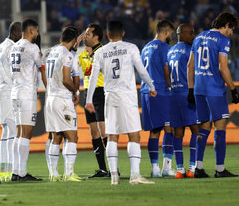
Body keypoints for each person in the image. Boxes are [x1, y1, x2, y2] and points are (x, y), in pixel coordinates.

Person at [85, 20, 156, 185]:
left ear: (108, 35)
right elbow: (142, 71)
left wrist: (88, 100)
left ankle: (114, 176)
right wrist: (151, 86)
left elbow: (93, 77)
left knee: (112, 136)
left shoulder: (101, 52)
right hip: (127, 96)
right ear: (123, 33)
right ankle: (135, 175)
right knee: (134, 135)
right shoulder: (131, 48)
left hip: (109, 96)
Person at [187, 12, 239, 178]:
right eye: (232, 29)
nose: (232, 33)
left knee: (204, 127)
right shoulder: (223, 40)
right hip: (215, 89)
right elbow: (223, 68)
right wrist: (233, 89)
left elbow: (190, 65)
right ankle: (220, 169)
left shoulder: (199, 37)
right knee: (220, 126)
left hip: (199, 89)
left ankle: (198, 167)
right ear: (227, 25)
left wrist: (190, 89)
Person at [45, 26, 82, 182]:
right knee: (72, 136)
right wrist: (75, 91)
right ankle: (69, 173)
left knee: (56, 137)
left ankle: (53, 174)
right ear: (73, 41)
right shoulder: (66, 55)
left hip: (50, 98)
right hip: (62, 99)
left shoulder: (51, 52)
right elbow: (67, 79)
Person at [10, 19, 44, 181]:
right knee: (26, 133)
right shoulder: (32, 48)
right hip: (26, 94)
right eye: (37, 31)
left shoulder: (14, 47)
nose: (37, 34)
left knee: (19, 133)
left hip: (15, 93)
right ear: (31, 30)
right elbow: (42, 67)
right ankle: (21, 172)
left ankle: (16, 172)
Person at [141, 19, 175, 178]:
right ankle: (166, 168)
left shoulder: (145, 47)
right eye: (171, 34)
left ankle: (155, 168)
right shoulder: (164, 47)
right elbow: (166, 71)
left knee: (154, 131)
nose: (171, 37)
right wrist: (171, 86)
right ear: (166, 32)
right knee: (170, 129)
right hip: (160, 91)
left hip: (146, 92)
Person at [167, 24, 199, 178]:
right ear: (182, 34)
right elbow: (194, 71)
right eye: (191, 33)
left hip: (173, 95)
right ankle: (192, 168)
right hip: (187, 93)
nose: (193, 36)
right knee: (196, 130)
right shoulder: (190, 50)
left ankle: (179, 169)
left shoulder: (170, 51)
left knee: (178, 133)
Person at [79, 23, 109, 178]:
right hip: (87, 94)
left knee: (104, 131)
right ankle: (103, 169)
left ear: (96, 36)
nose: (85, 36)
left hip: (101, 92)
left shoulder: (103, 52)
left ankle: (113, 167)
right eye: (84, 34)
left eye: (88, 34)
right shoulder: (83, 54)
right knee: (94, 132)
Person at [0, 21, 22, 182]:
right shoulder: (11, 48)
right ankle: (12, 170)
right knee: (12, 131)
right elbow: (10, 72)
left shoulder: (1, 46)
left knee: (6, 132)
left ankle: (5, 169)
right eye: (21, 34)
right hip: (7, 91)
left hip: (0, 91)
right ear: (15, 33)